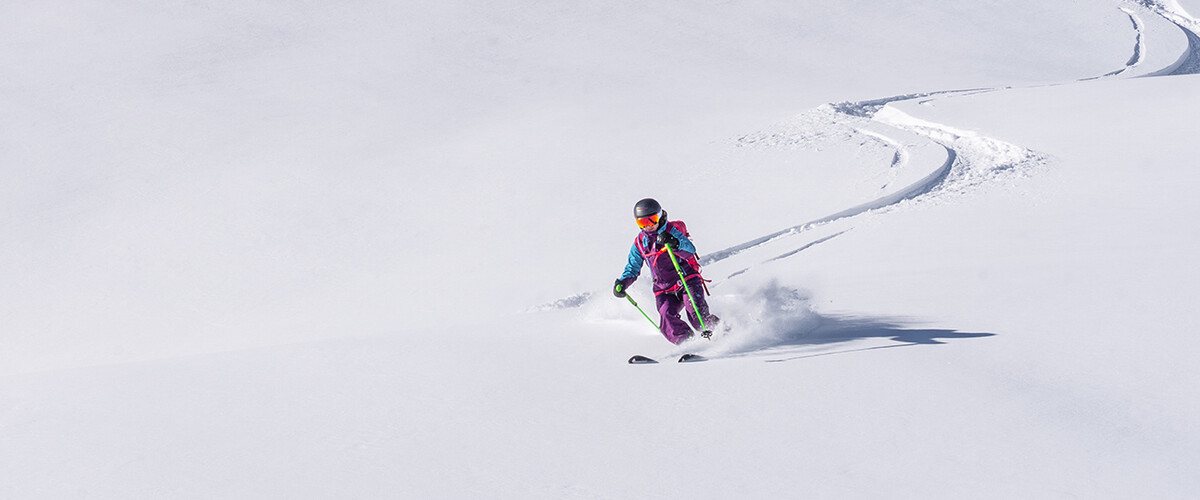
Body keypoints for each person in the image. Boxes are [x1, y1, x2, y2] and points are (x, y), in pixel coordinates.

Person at [613, 198, 719, 344]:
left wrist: (675, 243)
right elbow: (633, 268)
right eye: (642, 223)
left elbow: (690, 249)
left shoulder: (670, 231)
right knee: (666, 316)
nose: (648, 226)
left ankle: (721, 333)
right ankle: (688, 344)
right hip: (663, 288)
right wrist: (623, 283)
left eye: (652, 220)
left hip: (685, 280)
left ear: (660, 215)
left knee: (696, 314)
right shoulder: (640, 242)